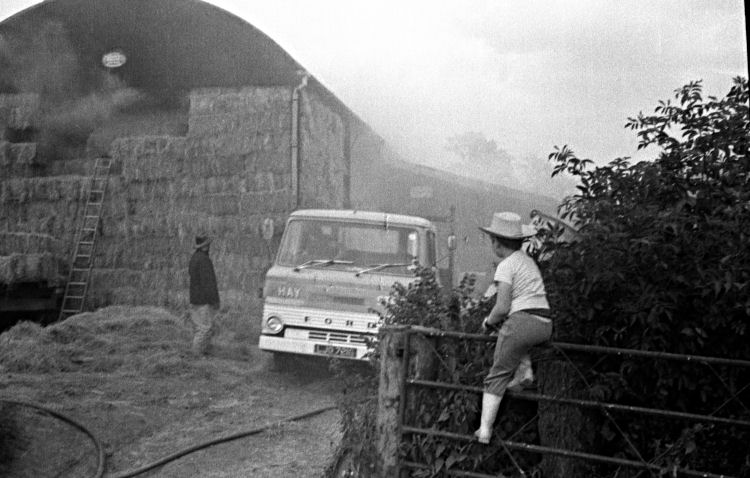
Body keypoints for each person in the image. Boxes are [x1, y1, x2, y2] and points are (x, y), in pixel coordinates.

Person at [474, 212, 553, 444]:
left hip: (523, 323)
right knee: (514, 339)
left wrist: (487, 323)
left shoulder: (506, 266)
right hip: (544, 324)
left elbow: (502, 307)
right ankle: (525, 370)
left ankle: (484, 431)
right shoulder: (527, 262)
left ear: (497, 243)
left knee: (496, 375)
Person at [188, 235, 220, 356]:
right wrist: (214, 300)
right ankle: (195, 355)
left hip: (194, 299)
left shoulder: (194, 258)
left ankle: (202, 353)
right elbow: (208, 283)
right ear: (206, 246)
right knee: (204, 329)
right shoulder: (204, 261)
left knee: (199, 328)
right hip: (203, 301)